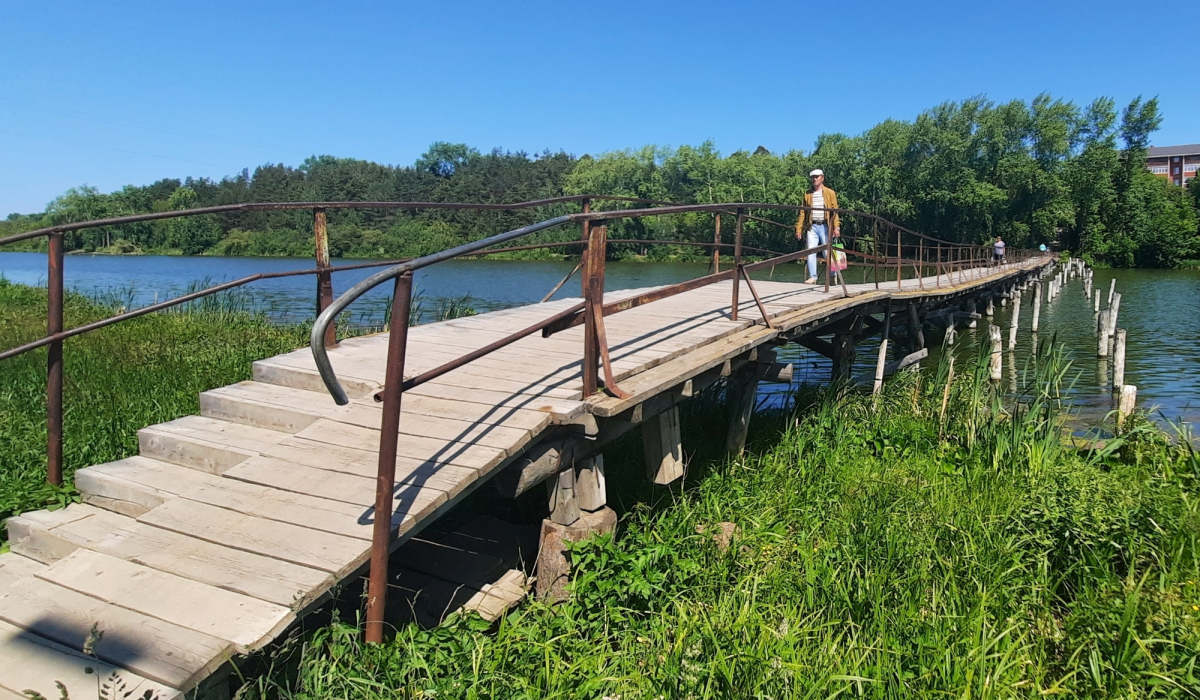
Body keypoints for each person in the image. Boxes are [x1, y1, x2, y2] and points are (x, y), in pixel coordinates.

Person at [794, 169, 841, 284]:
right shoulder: (808, 194)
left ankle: (832, 275)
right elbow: (803, 212)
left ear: (822, 178)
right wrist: (799, 228)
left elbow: (835, 211)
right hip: (812, 226)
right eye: (813, 177)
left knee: (827, 252)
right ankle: (813, 277)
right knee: (811, 251)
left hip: (825, 225)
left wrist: (836, 227)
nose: (814, 179)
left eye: (817, 177)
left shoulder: (830, 193)